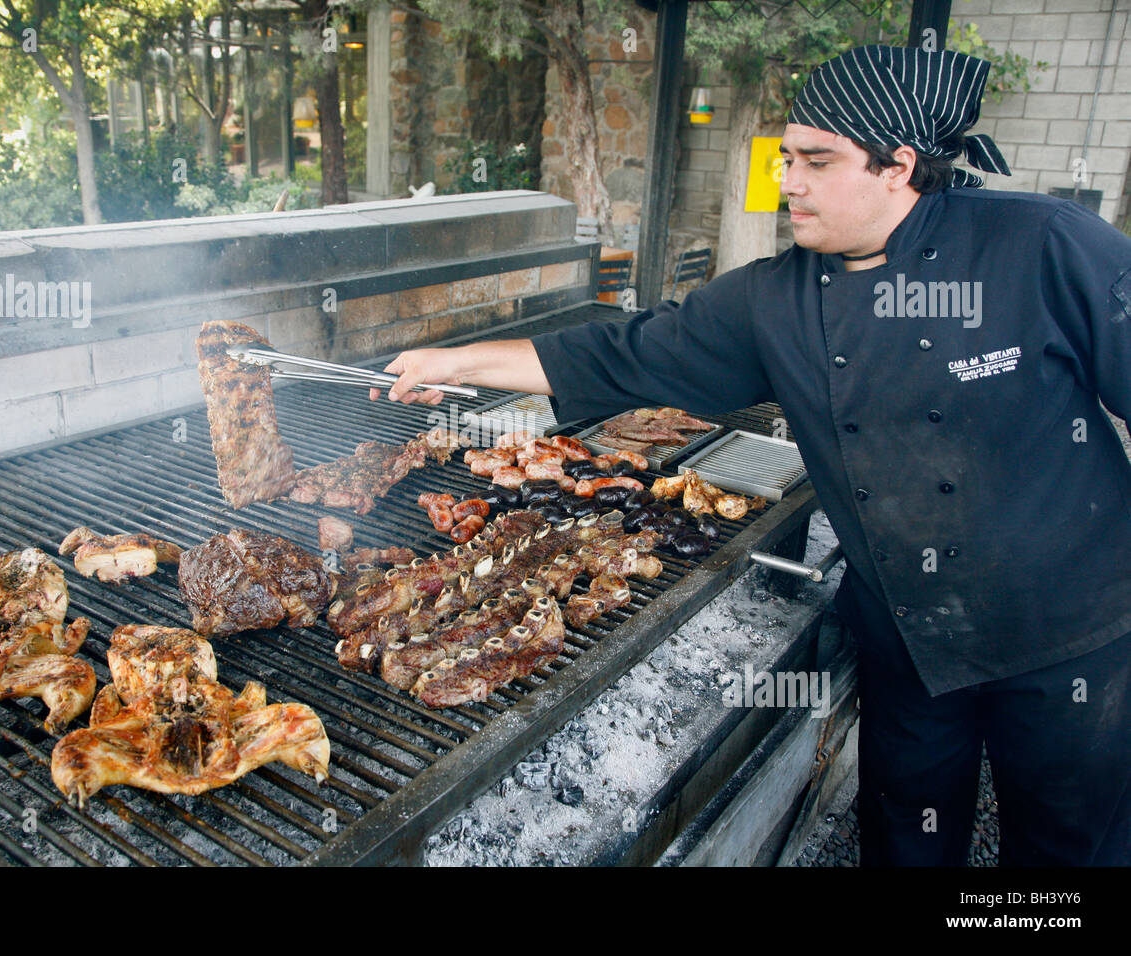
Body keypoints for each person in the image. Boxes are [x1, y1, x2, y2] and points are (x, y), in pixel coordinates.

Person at [370, 45, 1131, 866]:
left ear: (897, 167)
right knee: (909, 835)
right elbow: (623, 353)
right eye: (784, 159)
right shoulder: (777, 297)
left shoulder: (1047, 246)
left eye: (816, 161)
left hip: (1071, 628)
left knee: (1068, 850)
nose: (788, 182)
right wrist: (455, 364)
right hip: (909, 632)